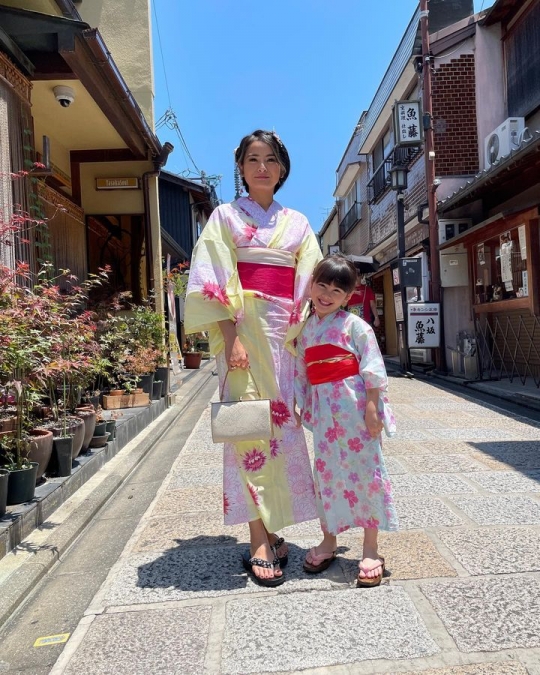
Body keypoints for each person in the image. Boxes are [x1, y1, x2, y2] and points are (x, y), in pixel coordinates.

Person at [184, 130, 322, 587]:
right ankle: (258, 540)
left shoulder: (298, 223)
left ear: (282, 168)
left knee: (284, 432)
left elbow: (312, 285)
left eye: (270, 159)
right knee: (248, 434)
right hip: (243, 336)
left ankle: (274, 528)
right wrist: (231, 335)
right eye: (252, 159)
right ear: (240, 168)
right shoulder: (225, 217)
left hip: (285, 338)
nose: (261, 167)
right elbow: (212, 279)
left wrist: (308, 337)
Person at [295, 254, 398, 587]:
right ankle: (329, 539)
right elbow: (302, 371)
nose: (327, 294)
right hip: (326, 413)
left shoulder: (355, 326)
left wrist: (373, 405)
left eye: (337, 291)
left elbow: (372, 366)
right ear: (310, 285)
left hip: (354, 407)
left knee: (367, 472)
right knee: (326, 474)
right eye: (321, 285)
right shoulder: (306, 330)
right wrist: (300, 403)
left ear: (348, 297)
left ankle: (371, 547)